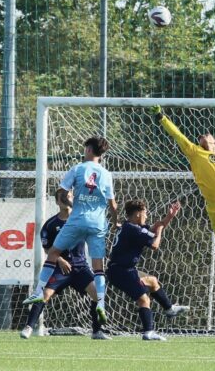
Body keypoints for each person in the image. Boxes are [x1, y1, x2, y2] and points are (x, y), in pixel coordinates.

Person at [24, 136, 118, 327]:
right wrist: (116, 222)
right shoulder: (106, 174)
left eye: (85, 149)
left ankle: (38, 291)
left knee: (53, 253)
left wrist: (70, 203)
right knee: (98, 267)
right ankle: (101, 302)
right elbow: (113, 204)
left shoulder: (77, 169)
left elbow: (61, 193)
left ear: (89, 150)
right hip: (98, 223)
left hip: (78, 220)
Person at [148, 106, 215, 261]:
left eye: (206, 134)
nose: (202, 136)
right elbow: (177, 135)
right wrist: (161, 117)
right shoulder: (195, 152)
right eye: (200, 136)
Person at [20, 190, 110, 340]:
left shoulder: (82, 220)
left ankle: (97, 331)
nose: (65, 200)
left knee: (97, 295)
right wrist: (60, 260)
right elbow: (47, 248)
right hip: (58, 268)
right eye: (61, 198)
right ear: (57, 202)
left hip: (80, 267)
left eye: (68, 196)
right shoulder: (50, 224)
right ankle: (28, 327)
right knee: (44, 295)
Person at [106, 200, 190, 341]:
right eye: (145, 213)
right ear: (138, 214)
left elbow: (155, 227)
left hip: (124, 269)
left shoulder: (131, 226)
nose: (146, 216)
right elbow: (155, 245)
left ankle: (169, 309)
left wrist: (169, 217)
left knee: (153, 281)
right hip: (121, 271)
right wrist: (160, 230)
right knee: (144, 299)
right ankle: (148, 332)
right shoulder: (133, 229)